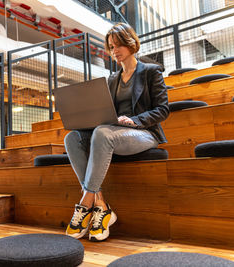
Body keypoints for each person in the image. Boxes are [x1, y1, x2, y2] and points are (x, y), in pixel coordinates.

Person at [64, 23, 170, 242]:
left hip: (144, 132)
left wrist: (134, 120)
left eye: (119, 44)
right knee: (72, 137)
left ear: (131, 43)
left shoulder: (151, 71)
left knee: (102, 133)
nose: (115, 50)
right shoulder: (112, 79)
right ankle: (101, 205)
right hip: (113, 131)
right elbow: (106, 114)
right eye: (111, 47)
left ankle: (86, 202)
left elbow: (162, 110)